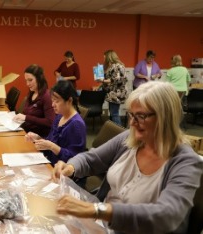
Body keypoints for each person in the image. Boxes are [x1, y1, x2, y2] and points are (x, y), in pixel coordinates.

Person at [52, 81, 203, 234]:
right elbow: (90, 159)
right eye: (131, 114)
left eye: (141, 116)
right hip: (102, 225)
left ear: (165, 117)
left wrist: (97, 210)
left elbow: (167, 215)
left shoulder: (186, 162)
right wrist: (70, 167)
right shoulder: (130, 138)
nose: (132, 122)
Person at [24, 80, 86, 166]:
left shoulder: (76, 124)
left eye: (57, 101)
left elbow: (75, 159)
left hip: (62, 172)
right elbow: (51, 140)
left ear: (69, 101)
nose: (53, 105)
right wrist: (38, 138)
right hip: (50, 163)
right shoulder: (59, 116)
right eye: (52, 101)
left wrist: (52, 147)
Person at [12, 64, 55, 138]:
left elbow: (50, 122)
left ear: (39, 79)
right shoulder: (32, 93)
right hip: (26, 132)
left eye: (30, 80)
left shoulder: (46, 96)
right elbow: (26, 114)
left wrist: (26, 118)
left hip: (38, 138)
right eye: (26, 80)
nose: (27, 84)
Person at [102, 50, 128, 126]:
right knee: (113, 112)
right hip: (113, 93)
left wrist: (103, 80)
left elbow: (118, 79)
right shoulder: (113, 66)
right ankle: (115, 131)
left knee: (114, 113)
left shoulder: (117, 66)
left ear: (109, 57)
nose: (104, 59)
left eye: (104, 57)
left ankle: (119, 133)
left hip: (116, 93)